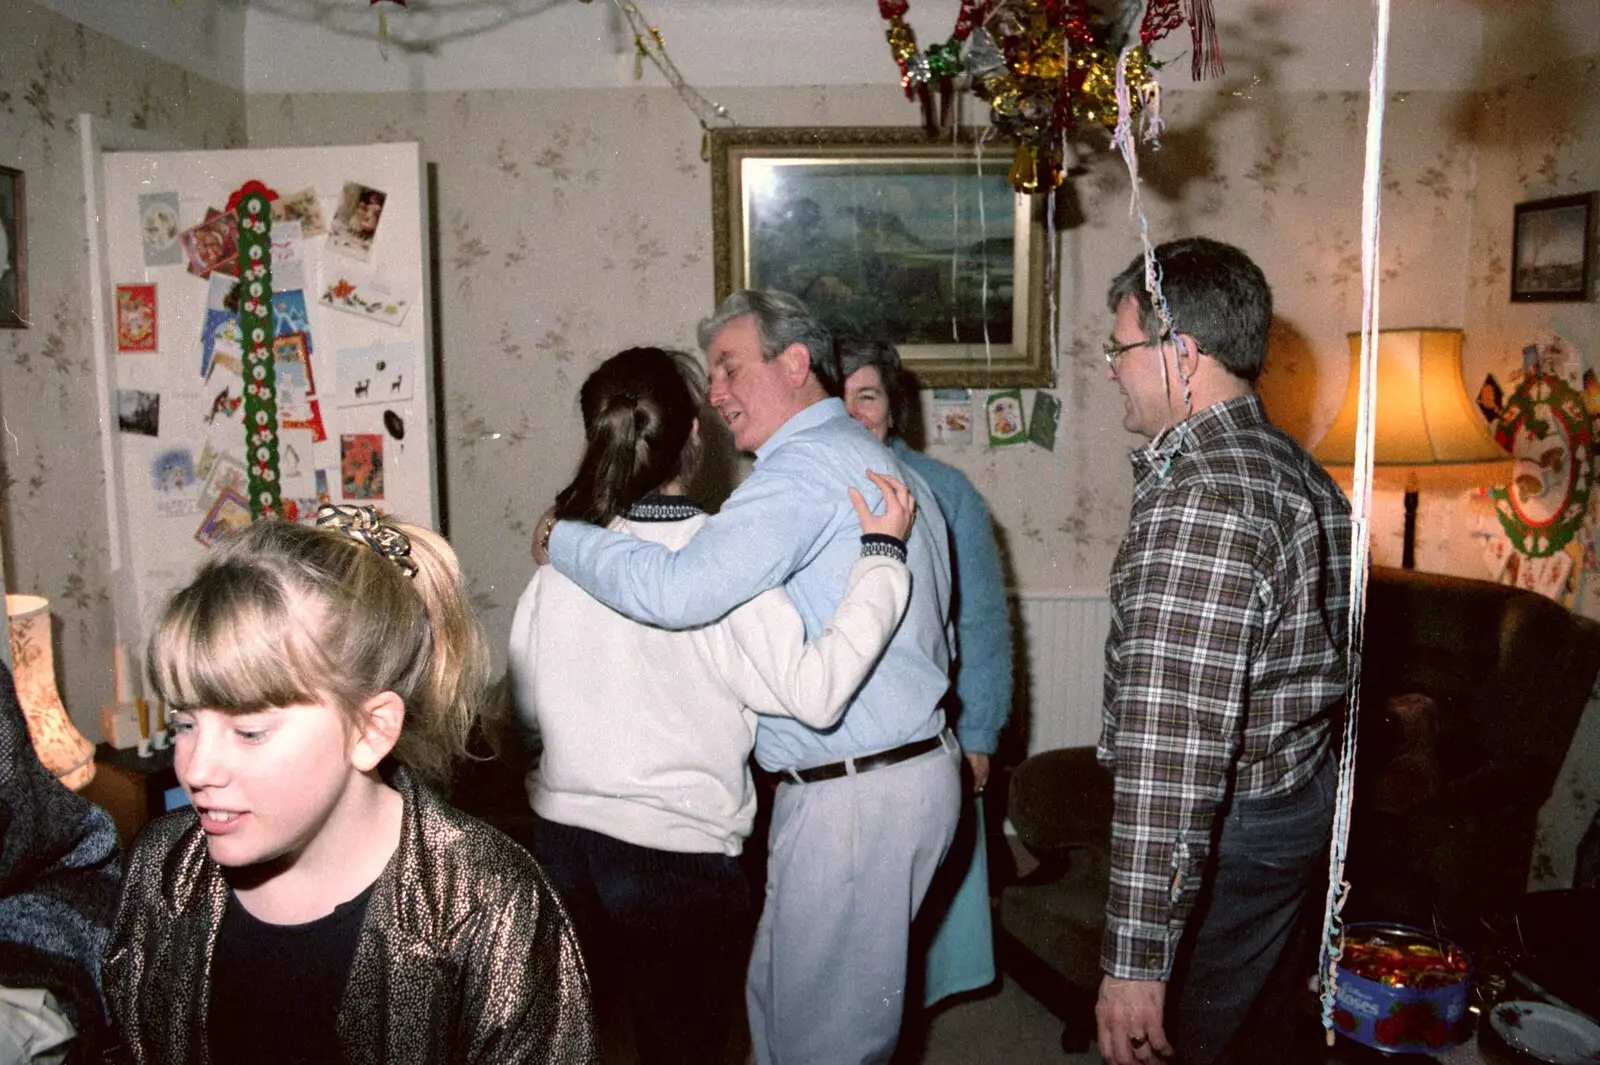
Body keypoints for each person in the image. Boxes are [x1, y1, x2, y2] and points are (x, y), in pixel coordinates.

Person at [532, 290, 962, 1065]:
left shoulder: (802, 469)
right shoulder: (872, 461)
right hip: (877, 780)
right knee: (784, 1014)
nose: (718, 391)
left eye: (730, 367)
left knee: (824, 1041)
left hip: (855, 793)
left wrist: (564, 538)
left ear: (795, 364)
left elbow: (677, 591)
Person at [102, 507, 597, 1065]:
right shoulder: (164, 869)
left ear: (369, 729)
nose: (194, 769)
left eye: (249, 731)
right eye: (186, 723)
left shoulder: (489, 906)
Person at [1093, 237, 1351, 1065]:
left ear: (1182, 353)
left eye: (1120, 347)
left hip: (1232, 832)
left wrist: (1135, 963)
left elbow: (1172, 752)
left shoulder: (1203, 499)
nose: (1111, 368)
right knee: (1253, 1027)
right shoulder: (1292, 468)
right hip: (1287, 805)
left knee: (1181, 1045)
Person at [837, 335, 1013, 1007]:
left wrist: (979, 735)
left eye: (869, 396)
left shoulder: (945, 491)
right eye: (840, 397)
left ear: (893, 407)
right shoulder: (799, 486)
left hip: (924, 736)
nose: (854, 415)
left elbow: (983, 624)